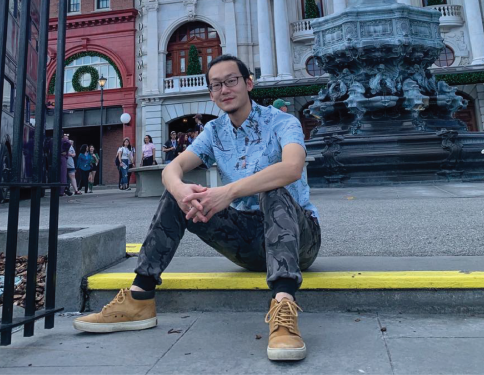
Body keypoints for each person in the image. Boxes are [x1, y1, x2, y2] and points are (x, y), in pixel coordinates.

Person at [73, 54, 321, 362]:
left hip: (299, 239)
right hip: (246, 240)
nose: (224, 89)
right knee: (180, 195)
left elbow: (292, 168)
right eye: (216, 85)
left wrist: (227, 193)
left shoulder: (282, 121)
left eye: (231, 81)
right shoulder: (215, 131)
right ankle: (140, 298)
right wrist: (180, 189)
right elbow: (171, 169)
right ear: (211, 93)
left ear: (248, 83)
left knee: (272, 187)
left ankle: (284, 306)